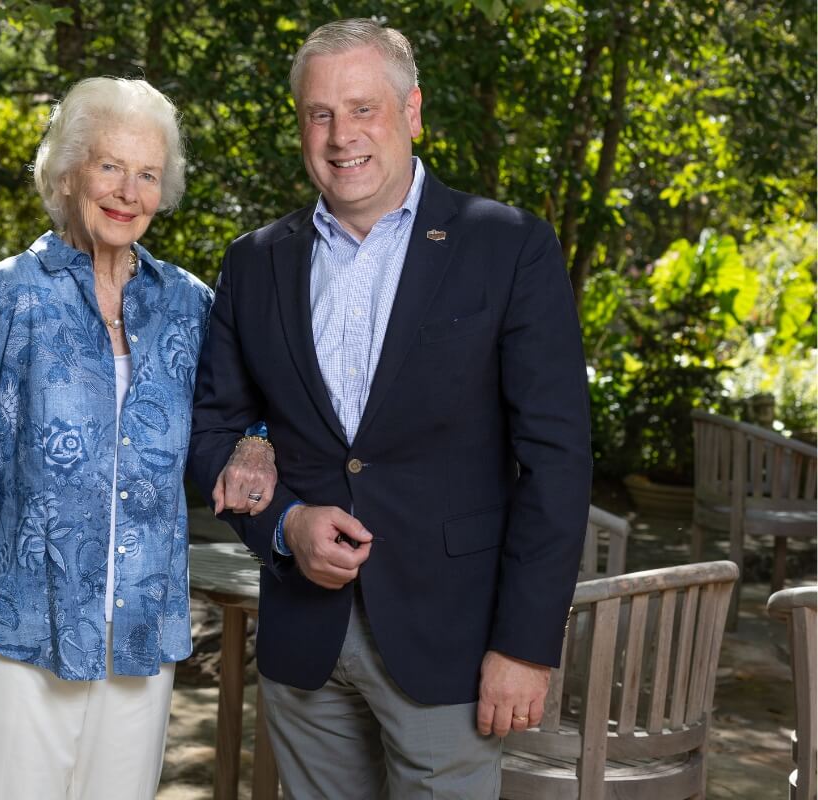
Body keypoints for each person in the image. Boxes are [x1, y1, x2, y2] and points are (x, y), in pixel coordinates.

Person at [188, 19, 592, 798]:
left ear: (411, 112)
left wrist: (526, 646)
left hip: (453, 646)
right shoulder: (255, 260)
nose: (342, 136)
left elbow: (557, 461)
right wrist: (283, 525)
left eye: (363, 108)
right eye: (319, 113)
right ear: (300, 125)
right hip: (305, 642)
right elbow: (215, 430)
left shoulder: (508, 247)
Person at [0, 77, 275, 799]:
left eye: (148, 174)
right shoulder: (5, 296)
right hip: (21, 630)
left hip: (140, 636)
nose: (128, 190)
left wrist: (257, 442)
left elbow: (254, 406)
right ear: (67, 173)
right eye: (109, 166)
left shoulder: (188, 305)